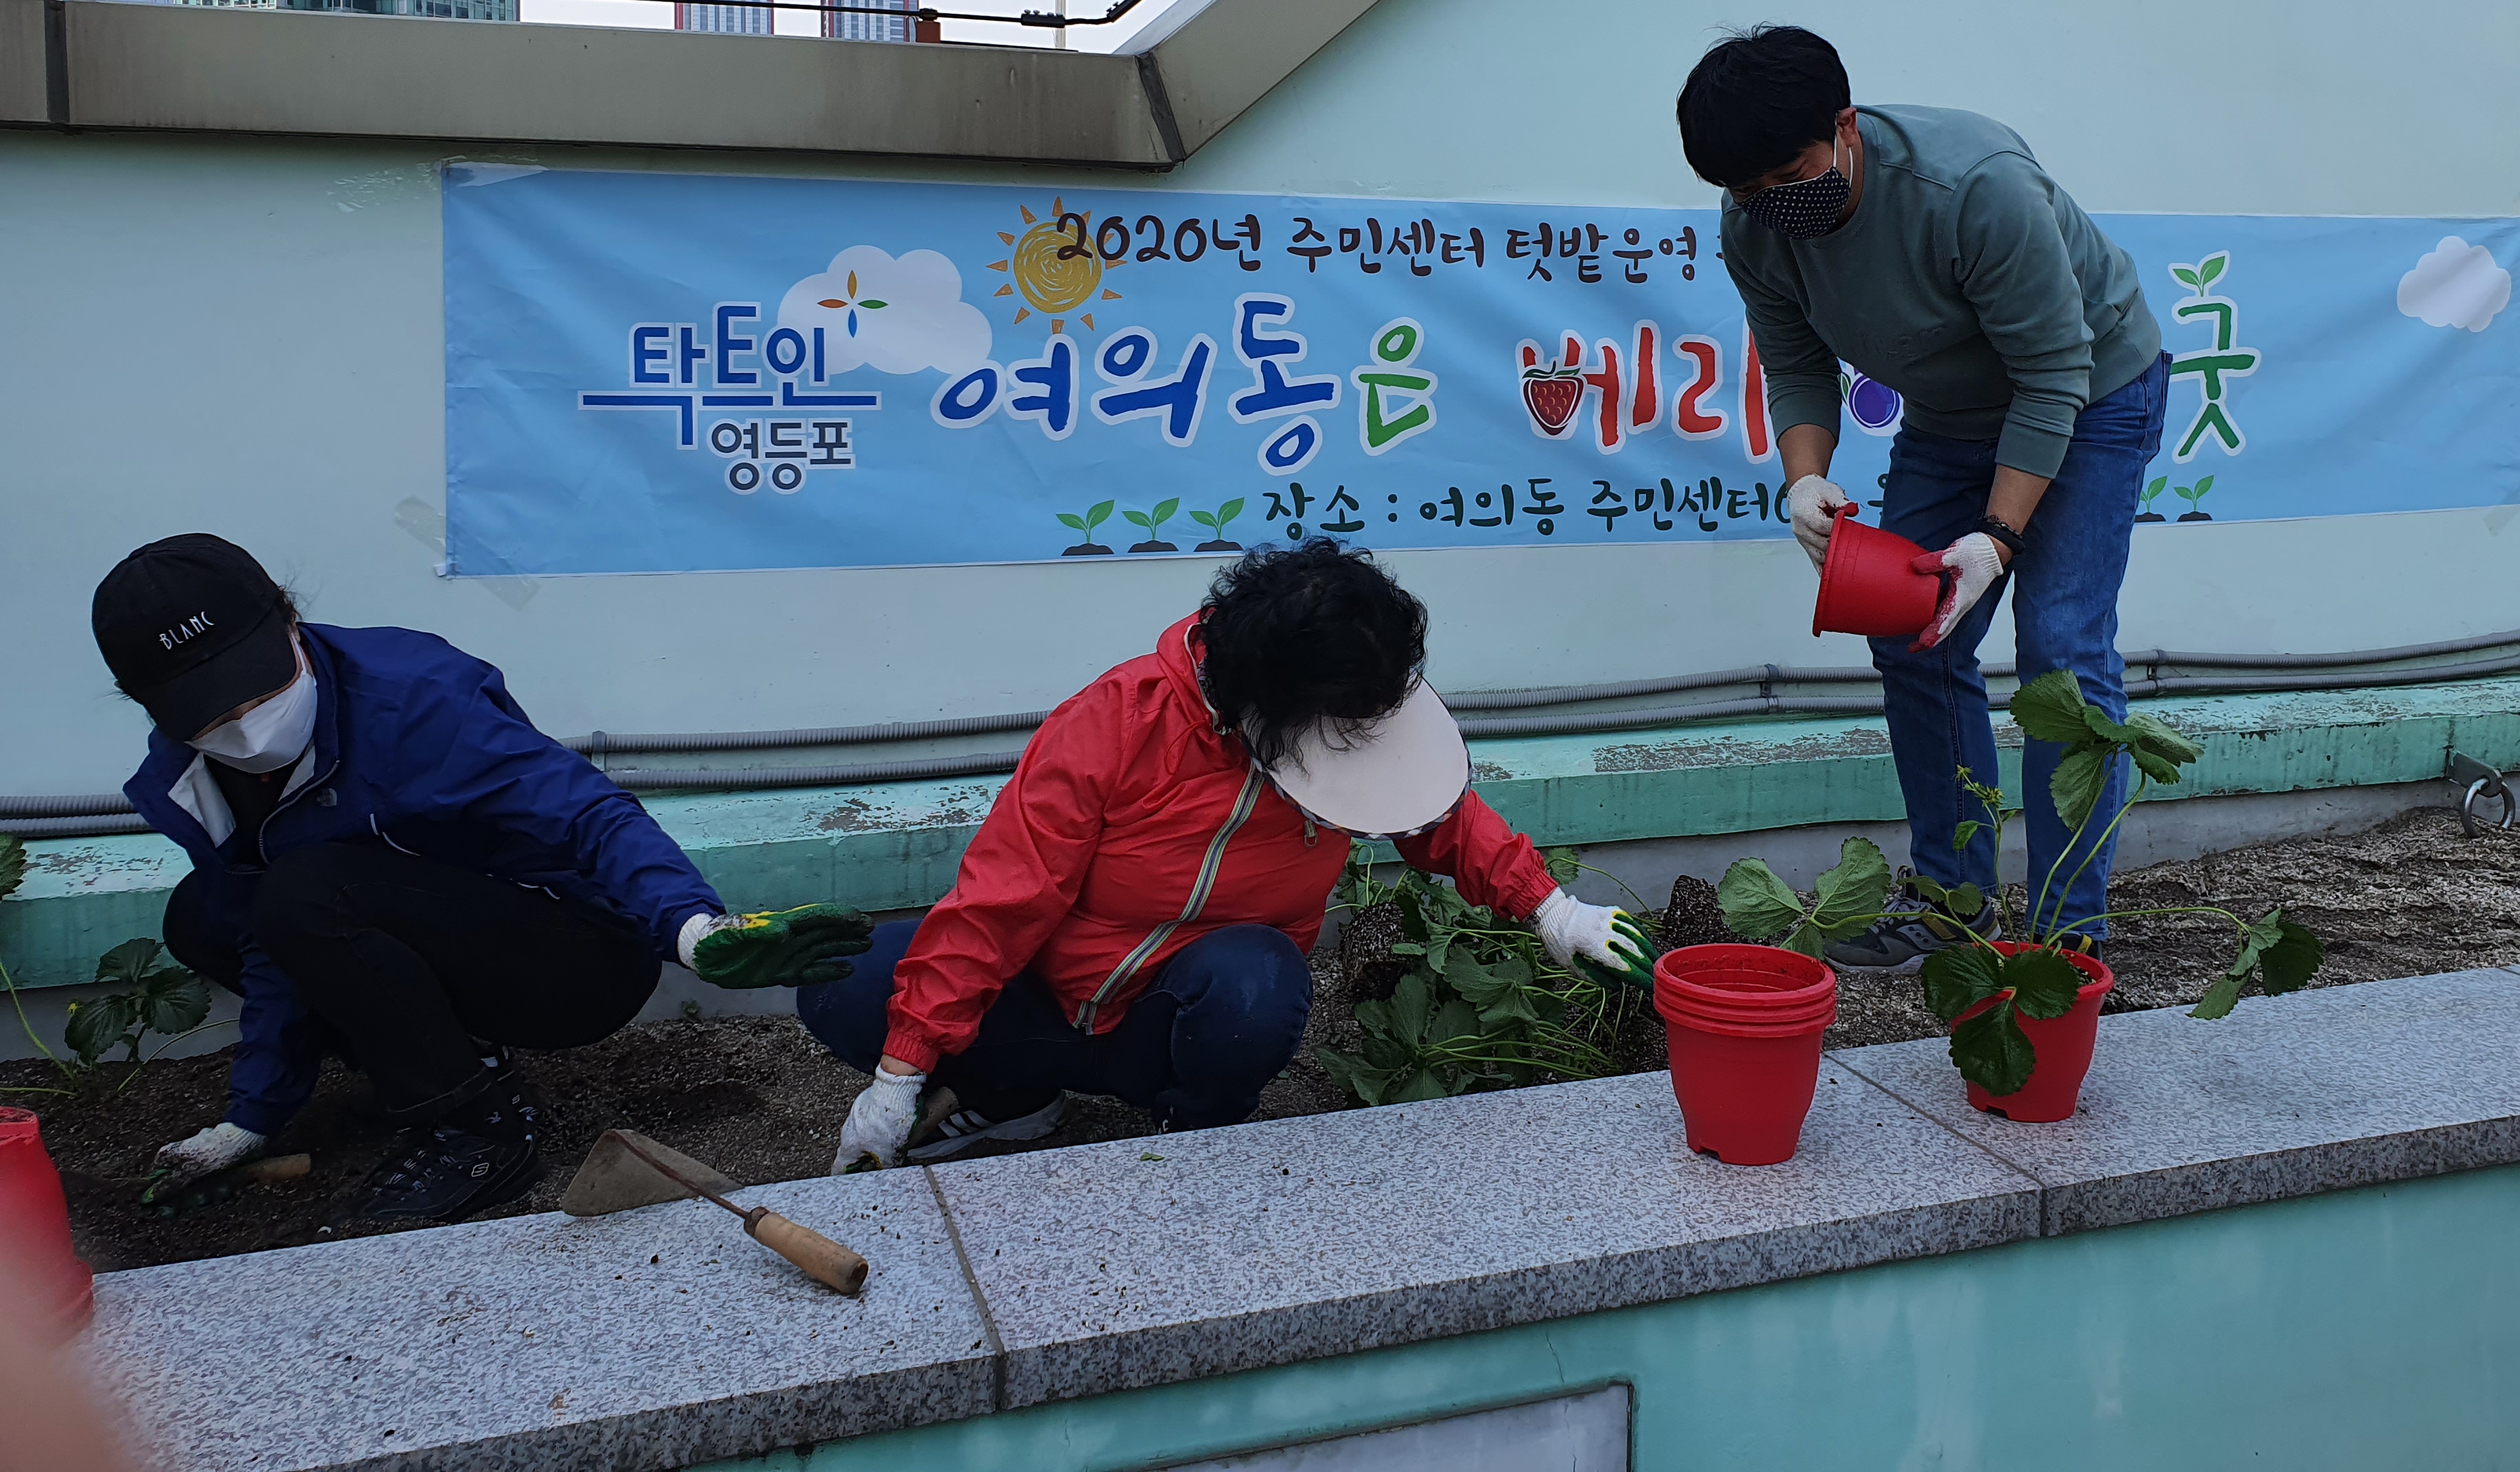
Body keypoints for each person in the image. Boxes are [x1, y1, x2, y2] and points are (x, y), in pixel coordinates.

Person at [93, 534, 871, 1220]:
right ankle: (451, 1072)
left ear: (290, 620)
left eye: (260, 687)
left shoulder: (413, 699)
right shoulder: (187, 780)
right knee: (207, 915)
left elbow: (586, 813)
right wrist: (252, 1117)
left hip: (570, 956)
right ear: (147, 705)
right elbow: (269, 946)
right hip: (424, 930)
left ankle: (481, 1137)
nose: (244, 723)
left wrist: (692, 929)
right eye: (208, 713)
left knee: (306, 888)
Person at [809, 539, 1652, 1169]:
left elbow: (1442, 817)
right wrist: (898, 1077)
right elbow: (1001, 903)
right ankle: (1014, 1099)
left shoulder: (1331, 725)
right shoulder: (1117, 726)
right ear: (1275, 702)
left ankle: (1197, 1131)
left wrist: (1552, 909)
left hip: (1173, 1020)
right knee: (847, 981)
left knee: (1257, 979)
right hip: (1048, 1003)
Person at [1677, 26, 2167, 968]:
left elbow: (2054, 370)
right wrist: (1806, 478)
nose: (1773, 204)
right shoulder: (1755, 231)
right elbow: (1796, 364)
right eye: (1747, 192)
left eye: (1790, 172)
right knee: (1911, 629)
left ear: (1846, 127)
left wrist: (1995, 536)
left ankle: (2068, 938)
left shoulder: (1973, 188)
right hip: (1953, 412)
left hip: (2092, 389)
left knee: (2061, 654)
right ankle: (1954, 903)